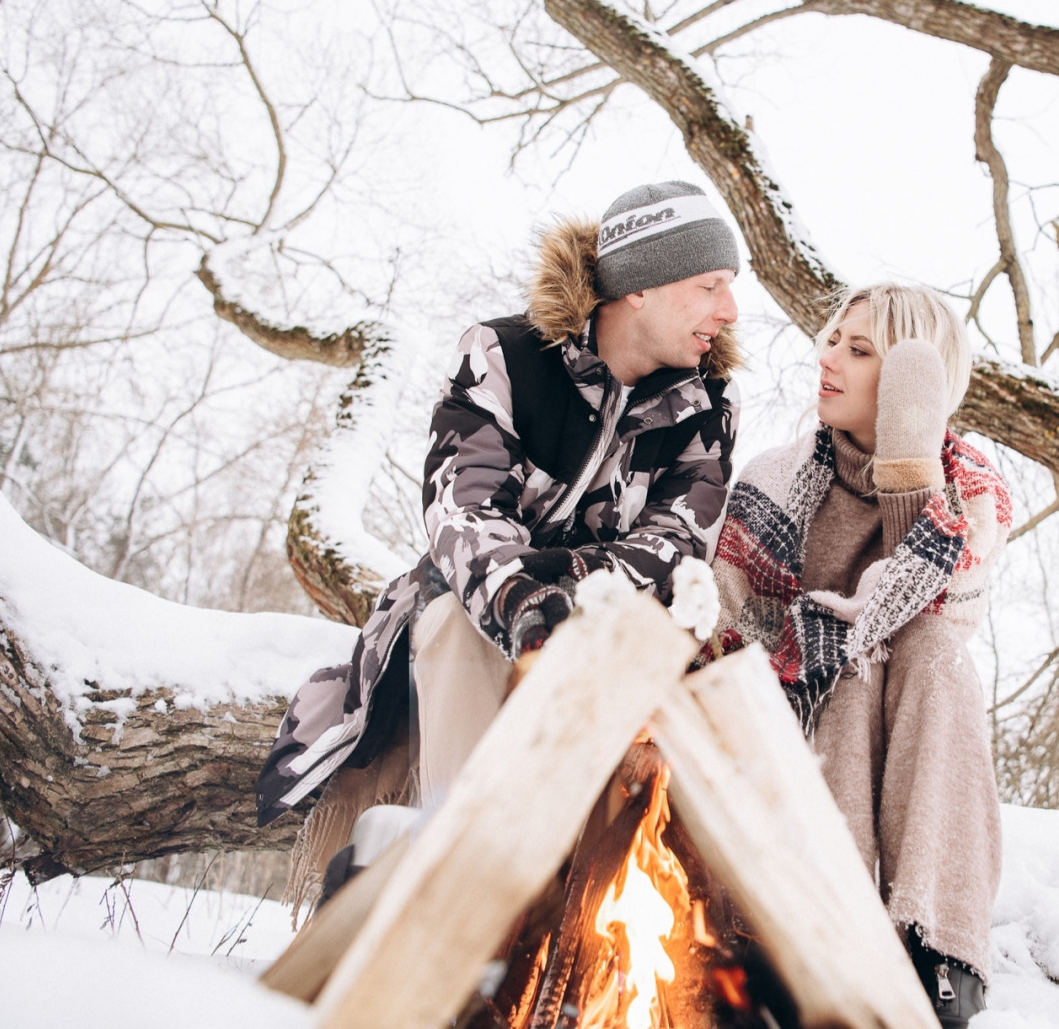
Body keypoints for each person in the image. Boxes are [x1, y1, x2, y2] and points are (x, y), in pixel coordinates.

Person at [255, 181, 743, 904]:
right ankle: (456, 886)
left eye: (728, 288)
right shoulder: (506, 355)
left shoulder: (707, 406)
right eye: (709, 285)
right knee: (455, 617)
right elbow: (464, 509)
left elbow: (677, 542)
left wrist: (570, 586)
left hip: (617, 636)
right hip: (478, 614)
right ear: (637, 286)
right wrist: (524, 601)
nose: (729, 311)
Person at [703, 283, 1011, 1028]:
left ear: (920, 380)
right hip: (780, 728)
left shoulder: (973, 493)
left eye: (860, 350)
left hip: (899, 738)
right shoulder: (772, 485)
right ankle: (823, 934)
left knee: (926, 646)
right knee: (842, 656)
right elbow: (725, 635)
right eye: (833, 339)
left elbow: (938, 605)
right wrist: (826, 642)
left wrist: (908, 463)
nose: (828, 358)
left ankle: (938, 954)